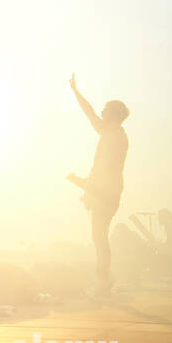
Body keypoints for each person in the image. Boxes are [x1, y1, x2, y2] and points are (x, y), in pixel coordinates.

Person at [66, 74, 129, 296]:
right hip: (104, 193)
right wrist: (75, 91)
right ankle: (104, 279)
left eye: (105, 110)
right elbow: (89, 112)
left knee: (100, 238)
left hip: (105, 194)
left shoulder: (114, 138)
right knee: (99, 237)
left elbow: (106, 172)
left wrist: (82, 184)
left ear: (113, 114)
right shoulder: (111, 132)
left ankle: (103, 282)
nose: (101, 112)